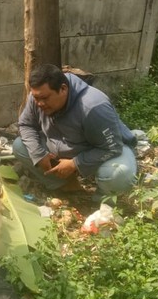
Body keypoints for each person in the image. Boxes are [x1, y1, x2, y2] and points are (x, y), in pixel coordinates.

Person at [12, 64, 137, 199]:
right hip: (65, 148)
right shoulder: (37, 96)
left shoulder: (93, 107)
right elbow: (25, 125)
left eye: (45, 98)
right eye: (36, 98)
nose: (40, 103)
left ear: (63, 89)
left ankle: (101, 202)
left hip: (100, 149)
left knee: (118, 174)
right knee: (20, 146)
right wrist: (39, 154)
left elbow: (112, 148)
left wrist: (75, 163)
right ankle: (64, 184)